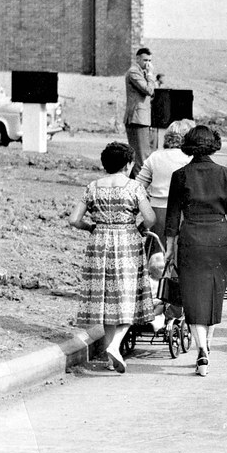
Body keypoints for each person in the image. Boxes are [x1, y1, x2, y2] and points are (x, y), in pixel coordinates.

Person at [164, 125, 227, 377]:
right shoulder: (225, 173)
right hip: (220, 238)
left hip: (191, 239)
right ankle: (207, 344)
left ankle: (201, 349)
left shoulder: (180, 175)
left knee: (194, 297)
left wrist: (169, 249)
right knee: (214, 294)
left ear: (188, 144)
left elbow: (172, 216)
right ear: (213, 144)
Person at [69, 142, 157, 374]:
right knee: (128, 296)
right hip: (127, 241)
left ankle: (111, 357)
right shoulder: (134, 187)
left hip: (99, 243)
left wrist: (91, 227)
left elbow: (74, 219)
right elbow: (150, 218)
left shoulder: (93, 187)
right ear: (128, 164)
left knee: (108, 300)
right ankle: (115, 346)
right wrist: (139, 227)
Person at [134, 118, 196, 249]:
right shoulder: (190, 159)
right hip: (182, 211)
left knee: (156, 251)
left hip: (157, 211)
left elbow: (137, 187)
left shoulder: (155, 157)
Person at [124, 47, 157, 177]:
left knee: (140, 157)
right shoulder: (134, 72)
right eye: (145, 60)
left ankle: (134, 184)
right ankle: (139, 185)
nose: (148, 64)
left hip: (142, 118)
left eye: (150, 61)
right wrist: (150, 75)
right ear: (137, 59)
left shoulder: (142, 73)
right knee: (142, 158)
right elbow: (149, 90)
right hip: (137, 118)